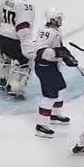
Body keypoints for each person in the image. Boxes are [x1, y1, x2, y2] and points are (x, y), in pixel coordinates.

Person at [24, 8, 77, 138]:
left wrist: (65, 55)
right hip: (45, 68)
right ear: (52, 20)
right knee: (49, 97)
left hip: (50, 67)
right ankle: (41, 127)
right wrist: (58, 53)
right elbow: (40, 52)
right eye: (58, 18)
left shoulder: (52, 30)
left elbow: (56, 48)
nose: (61, 20)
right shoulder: (49, 32)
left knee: (61, 88)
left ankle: (54, 115)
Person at [0, 0, 34, 97]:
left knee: (4, 56)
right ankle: (15, 88)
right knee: (24, 61)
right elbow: (23, 27)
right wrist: (27, 46)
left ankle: (1, 80)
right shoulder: (26, 6)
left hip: (1, 38)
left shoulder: (5, 0)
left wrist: (6, 27)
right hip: (15, 40)